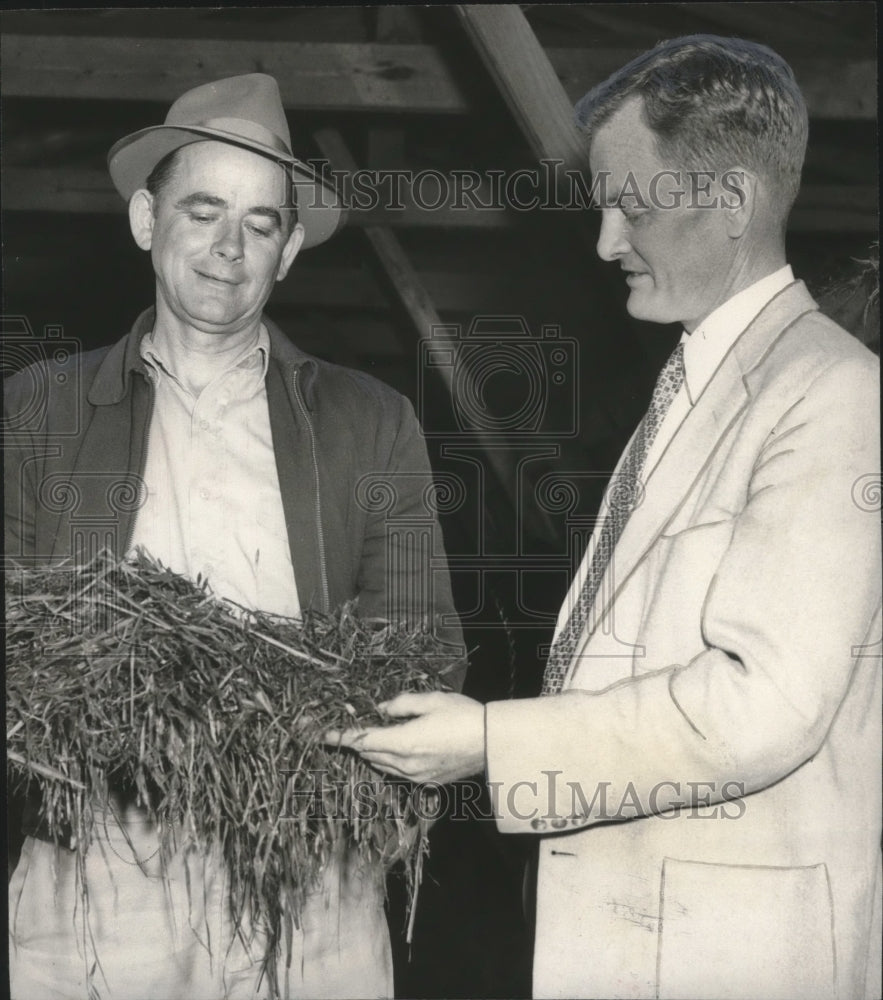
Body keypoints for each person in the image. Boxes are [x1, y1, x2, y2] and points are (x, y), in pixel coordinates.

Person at [332, 36, 882, 999]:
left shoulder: (832, 394)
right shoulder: (695, 384)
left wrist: (493, 743)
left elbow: (765, 706)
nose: (603, 241)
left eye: (630, 204)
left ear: (731, 205)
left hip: (731, 957)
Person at [4, 74, 462, 999]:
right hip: (100, 867)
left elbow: (422, 646)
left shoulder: (369, 422)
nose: (228, 248)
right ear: (146, 219)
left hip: (308, 861)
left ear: (289, 250)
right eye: (203, 211)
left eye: (259, 225)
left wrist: (363, 785)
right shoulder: (37, 410)